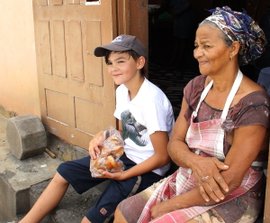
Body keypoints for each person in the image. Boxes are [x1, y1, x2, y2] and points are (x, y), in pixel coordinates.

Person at [114, 6, 270, 223]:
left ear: (233, 49)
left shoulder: (253, 103)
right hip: (192, 176)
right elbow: (174, 144)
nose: (197, 53)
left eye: (206, 46)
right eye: (196, 46)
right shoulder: (196, 87)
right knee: (124, 211)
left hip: (234, 193)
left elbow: (230, 180)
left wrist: (170, 206)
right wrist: (196, 162)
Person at [19, 34, 175, 223]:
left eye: (120, 61)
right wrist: (100, 137)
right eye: (109, 63)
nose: (113, 69)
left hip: (147, 171)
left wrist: (124, 175)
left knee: (89, 220)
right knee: (63, 171)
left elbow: (162, 157)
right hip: (124, 156)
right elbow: (122, 132)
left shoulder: (152, 100)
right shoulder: (122, 90)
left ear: (140, 62)